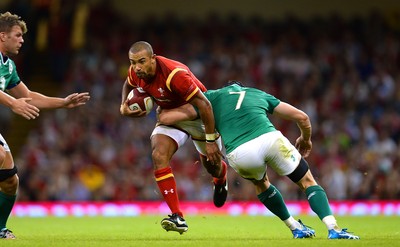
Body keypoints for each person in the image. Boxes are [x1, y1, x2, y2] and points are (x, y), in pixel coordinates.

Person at [158, 81, 360, 239]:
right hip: (270, 139)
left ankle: (294, 226)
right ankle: (333, 228)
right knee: (307, 182)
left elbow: (169, 118)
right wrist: (305, 139)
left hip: (240, 152)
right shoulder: (257, 94)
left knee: (261, 183)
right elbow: (303, 117)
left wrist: (159, 110)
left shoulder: (211, 97)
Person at [120, 41, 227, 234]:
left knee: (213, 166)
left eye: (142, 61)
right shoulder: (136, 72)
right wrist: (123, 105)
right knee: (158, 155)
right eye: (133, 62)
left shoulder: (174, 74)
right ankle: (177, 216)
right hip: (171, 118)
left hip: (198, 115)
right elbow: (127, 84)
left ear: (153, 59)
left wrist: (211, 140)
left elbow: (205, 106)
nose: (137, 67)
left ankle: (221, 178)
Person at [0, 12, 90, 239]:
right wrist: (12, 103)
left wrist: (63, 102)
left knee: (10, 181)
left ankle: (0, 229)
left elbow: (28, 95)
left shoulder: (8, 66)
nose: (22, 40)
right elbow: (14, 99)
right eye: (18, 35)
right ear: (2, 36)